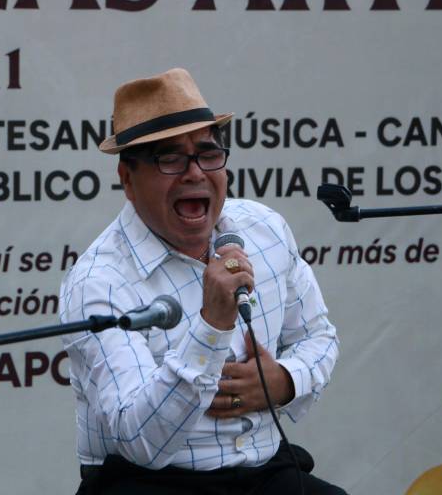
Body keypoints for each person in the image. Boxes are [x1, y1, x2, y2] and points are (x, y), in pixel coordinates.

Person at [59, 68, 344, 494]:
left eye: (208, 154)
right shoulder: (99, 281)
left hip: (265, 471)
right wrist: (211, 327)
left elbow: (318, 336)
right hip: (151, 481)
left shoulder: (264, 229)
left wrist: (282, 380)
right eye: (170, 159)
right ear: (128, 180)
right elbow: (139, 442)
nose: (195, 173)